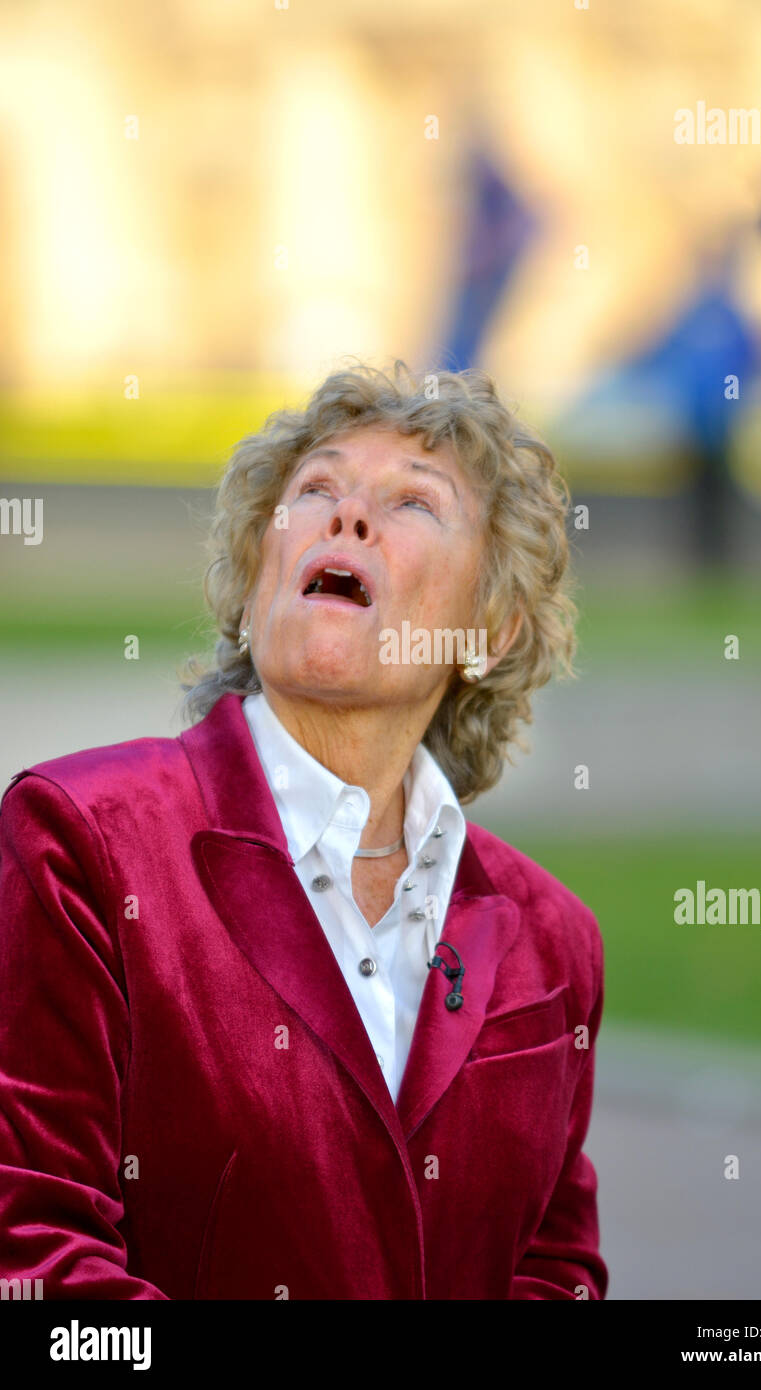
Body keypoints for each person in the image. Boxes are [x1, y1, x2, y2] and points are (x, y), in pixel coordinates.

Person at [0, 360, 607, 1300]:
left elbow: (555, 1269)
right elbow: (33, 1245)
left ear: (489, 632)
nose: (347, 516)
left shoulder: (554, 943)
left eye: (413, 502)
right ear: (252, 593)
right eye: (316, 488)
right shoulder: (83, 839)